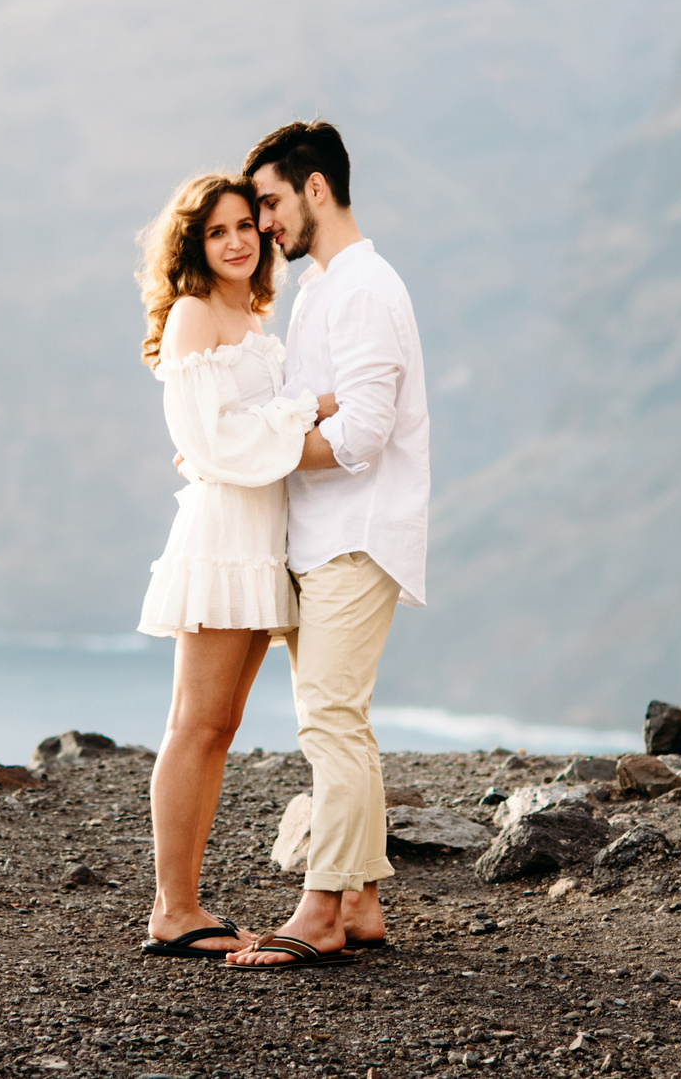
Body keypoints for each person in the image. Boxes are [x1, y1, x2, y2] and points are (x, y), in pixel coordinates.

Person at [224, 120, 430, 971]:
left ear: (315, 188)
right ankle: (363, 900)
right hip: (319, 534)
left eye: (269, 202)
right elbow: (315, 407)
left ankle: (318, 909)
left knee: (330, 722)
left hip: (357, 533)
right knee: (345, 721)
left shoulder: (367, 287)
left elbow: (364, 432)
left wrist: (261, 447)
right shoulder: (320, 290)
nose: (264, 223)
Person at [130, 173, 335, 959]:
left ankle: (184, 903)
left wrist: (271, 421)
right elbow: (216, 444)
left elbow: (238, 438)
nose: (239, 240)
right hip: (223, 538)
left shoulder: (251, 319)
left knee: (221, 725)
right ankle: (172, 908)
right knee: (194, 724)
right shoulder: (191, 316)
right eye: (218, 231)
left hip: (263, 539)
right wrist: (302, 409)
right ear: (196, 244)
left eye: (247, 225)